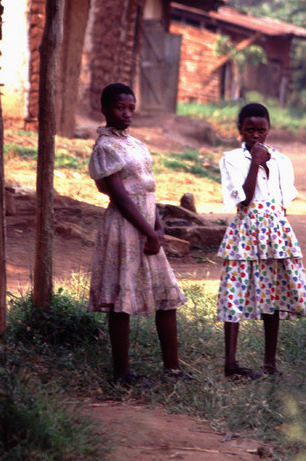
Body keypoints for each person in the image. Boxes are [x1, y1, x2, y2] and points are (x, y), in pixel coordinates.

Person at [88, 82, 188, 386]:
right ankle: (122, 373)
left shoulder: (135, 143)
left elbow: (146, 189)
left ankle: (173, 368)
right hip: (124, 227)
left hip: (146, 227)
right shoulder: (105, 148)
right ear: (105, 109)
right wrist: (149, 232)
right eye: (120, 107)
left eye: (131, 107)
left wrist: (157, 225)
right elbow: (121, 197)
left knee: (167, 295)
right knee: (121, 298)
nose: (126, 113)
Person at [217, 102, 306, 380]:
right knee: (234, 292)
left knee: (274, 294)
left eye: (261, 130)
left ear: (269, 130)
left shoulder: (282, 161)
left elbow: (283, 201)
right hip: (245, 229)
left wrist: (279, 230)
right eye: (249, 130)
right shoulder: (231, 159)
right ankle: (231, 365)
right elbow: (243, 199)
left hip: (275, 232)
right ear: (239, 130)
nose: (256, 136)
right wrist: (255, 163)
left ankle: (270, 364)